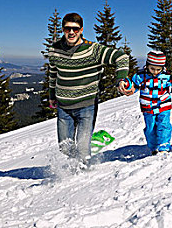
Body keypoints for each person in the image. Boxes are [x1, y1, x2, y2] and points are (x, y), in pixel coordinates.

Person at [48, 12, 130, 168]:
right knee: (65, 147)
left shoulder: (93, 50)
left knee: (83, 149)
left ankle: (82, 176)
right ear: (63, 29)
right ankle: (74, 165)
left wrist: (121, 79)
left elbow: (121, 57)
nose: (71, 32)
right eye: (67, 28)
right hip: (63, 106)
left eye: (75, 29)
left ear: (81, 30)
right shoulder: (55, 50)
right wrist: (52, 95)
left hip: (87, 105)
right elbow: (53, 74)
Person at [126, 51, 172, 155]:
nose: (155, 72)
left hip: (163, 105)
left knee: (163, 124)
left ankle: (164, 145)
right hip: (148, 107)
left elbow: (171, 88)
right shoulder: (141, 76)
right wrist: (127, 85)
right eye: (152, 69)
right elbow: (134, 85)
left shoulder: (166, 76)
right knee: (150, 128)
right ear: (147, 65)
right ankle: (153, 147)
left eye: (158, 69)